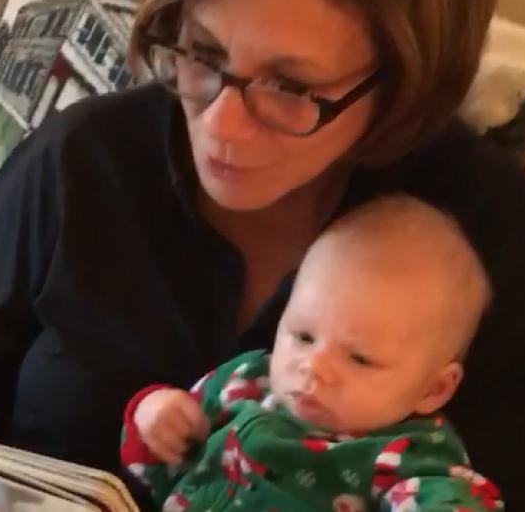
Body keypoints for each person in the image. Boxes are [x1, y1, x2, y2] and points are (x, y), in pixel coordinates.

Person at [0, 0, 525, 511]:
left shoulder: (481, 230)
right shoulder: (84, 162)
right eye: (203, 55)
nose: (221, 128)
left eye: (291, 88)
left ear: (401, 86)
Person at [121, 195, 504, 511]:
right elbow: (152, 471)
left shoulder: (407, 454)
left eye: (359, 358)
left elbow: (450, 500)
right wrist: (155, 418)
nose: (313, 366)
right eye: (303, 336)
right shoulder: (245, 383)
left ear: (433, 389)